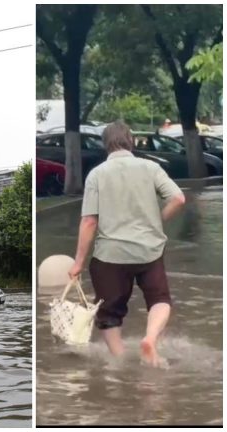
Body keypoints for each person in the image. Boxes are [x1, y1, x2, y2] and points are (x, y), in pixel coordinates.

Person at [68, 121, 186, 367]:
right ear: (130, 141)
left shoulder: (97, 174)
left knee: (109, 313)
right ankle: (150, 339)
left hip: (110, 255)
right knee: (160, 299)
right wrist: (158, 221)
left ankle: (120, 364)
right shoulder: (150, 167)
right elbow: (178, 198)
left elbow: (89, 221)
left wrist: (78, 262)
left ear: (105, 145)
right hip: (149, 251)